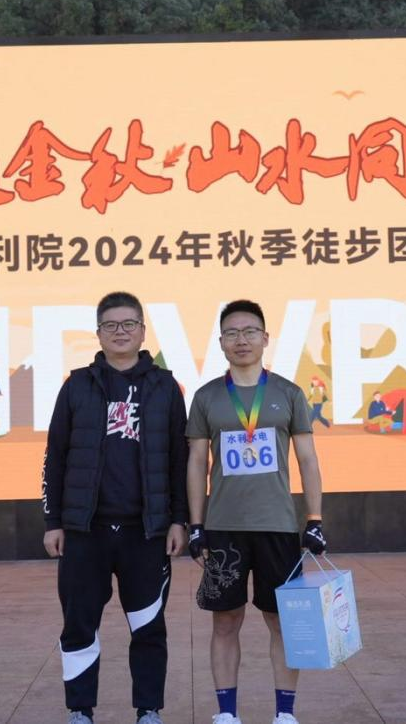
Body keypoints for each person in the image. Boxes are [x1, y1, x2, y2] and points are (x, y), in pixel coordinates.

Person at [42, 291, 189, 725]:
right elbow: (55, 457)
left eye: (129, 324)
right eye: (111, 325)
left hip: (146, 532)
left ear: (142, 331)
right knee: (79, 625)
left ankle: (148, 709)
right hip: (84, 531)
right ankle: (80, 710)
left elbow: (179, 461)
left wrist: (179, 520)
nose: (120, 332)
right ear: (99, 333)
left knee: (148, 627)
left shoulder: (165, 387)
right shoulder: (77, 386)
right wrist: (53, 522)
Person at [186, 299, 326, 725]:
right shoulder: (207, 397)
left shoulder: (288, 393)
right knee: (225, 622)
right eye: (232, 333)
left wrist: (314, 519)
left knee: (282, 622)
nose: (241, 340)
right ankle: (226, 713)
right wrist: (196, 525)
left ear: (265, 338)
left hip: (278, 527)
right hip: (223, 528)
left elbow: (308, 459)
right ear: (221, 343)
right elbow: (196, 462)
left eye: (249, 332)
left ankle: (285, 713)